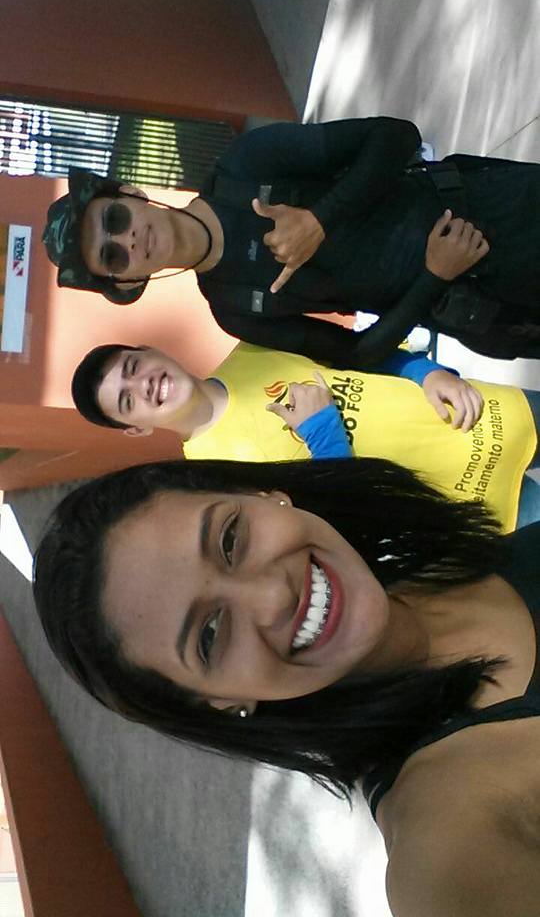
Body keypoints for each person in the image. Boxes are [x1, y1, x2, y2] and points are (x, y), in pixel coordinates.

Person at [33, 456, 540, 916]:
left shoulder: (437, 562)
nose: (274, 595)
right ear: (223, 702)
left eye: (230, 539)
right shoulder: (449, 849)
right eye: (209, 635)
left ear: (263, 495)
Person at [42, 118, 540, 364]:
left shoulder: (246, 165)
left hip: (502, 213)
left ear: (131, 193)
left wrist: (320, 219)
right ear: (127, 282)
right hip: (493, 311)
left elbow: (396, 136)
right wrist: (434, 277)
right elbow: (357, 355)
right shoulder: (234, 308)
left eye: (114, 219)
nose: (128, 239)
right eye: (112, 255)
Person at [70, 339, 538, 531]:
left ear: (151, 351)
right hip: (483, 505)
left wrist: (428, 373)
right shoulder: (216, 482)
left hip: (495, 416)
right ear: (137, 428)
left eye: (133, 366)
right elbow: (338, 525)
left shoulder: (252, 347)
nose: (143, 384)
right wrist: (322, 433)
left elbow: (365, 352)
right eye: (127, 399)